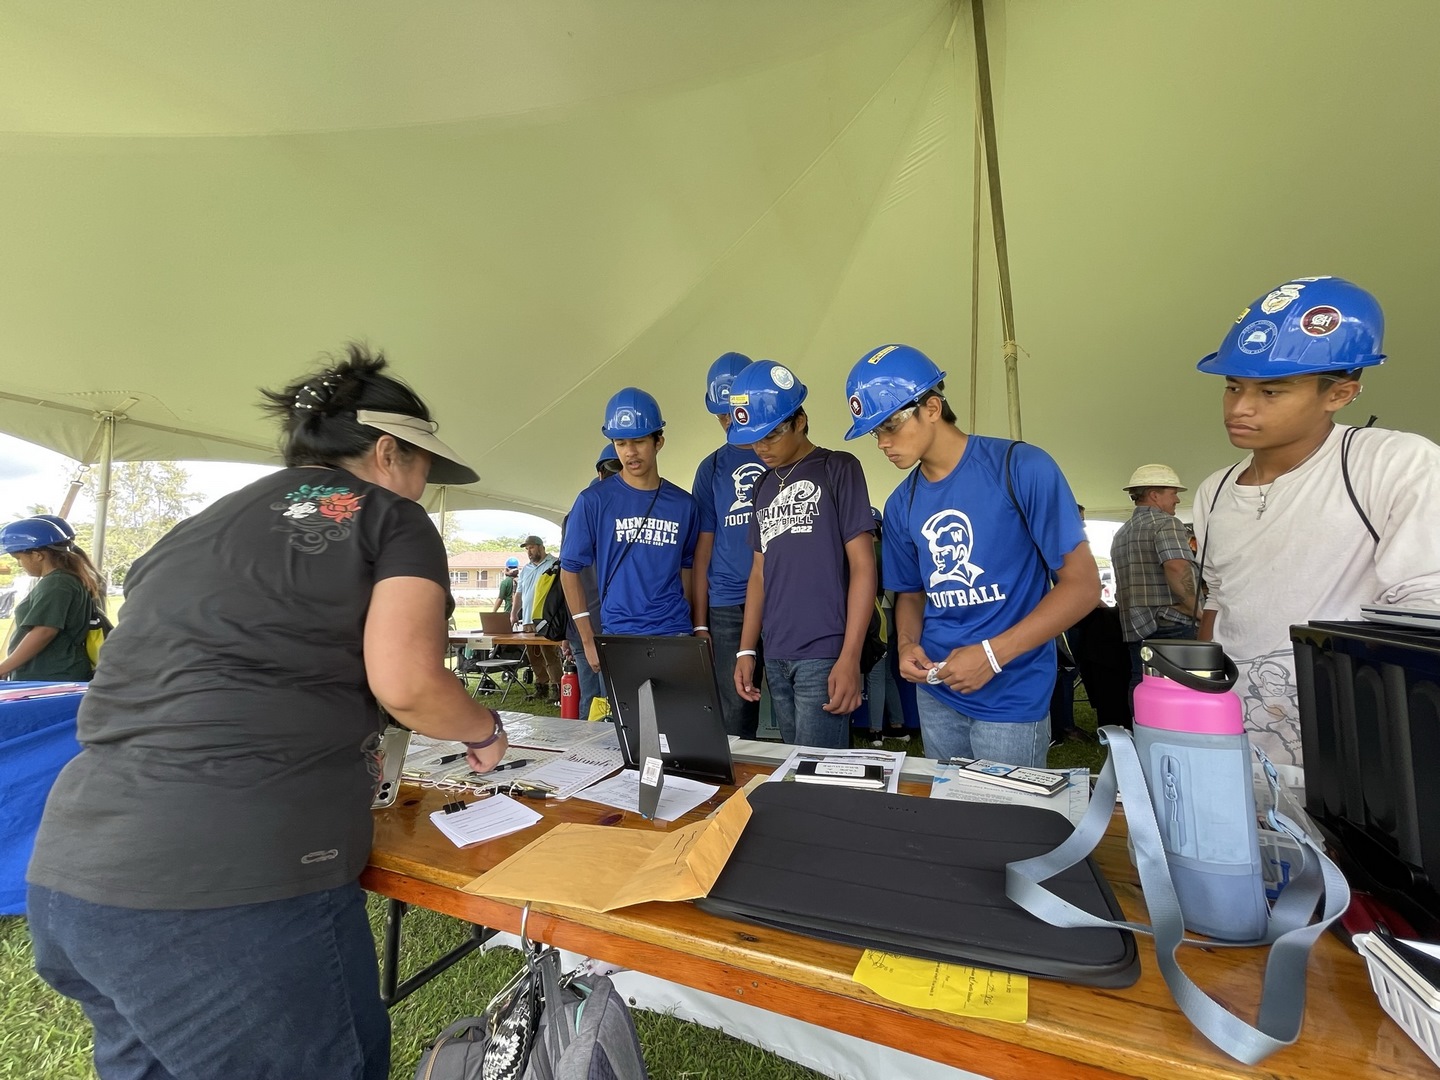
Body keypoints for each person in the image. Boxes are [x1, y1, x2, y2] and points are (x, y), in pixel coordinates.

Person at [25, 346, 508, 1080]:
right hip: (230, 890)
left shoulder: (201, 526)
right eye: (421, 467)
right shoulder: (391, 519)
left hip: (75, 875)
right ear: (385, 451)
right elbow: (409, 684)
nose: (422, 488)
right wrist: (483, 728)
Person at [1193, 276, 1440, 775]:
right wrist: (1197, 702)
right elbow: (1217, 603)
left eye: (1272, 390)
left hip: (1358, 750)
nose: (1240, 407)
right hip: (1238, 736)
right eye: (1233, 386)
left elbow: (1425, 609)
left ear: (1341, 393)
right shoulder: (1214, 490)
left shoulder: (1392, 463)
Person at [843, 344, 1098, 768]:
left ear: (931, 407)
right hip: (937, 690)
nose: (883, 443)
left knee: (1006, 823)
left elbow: (1083, 585)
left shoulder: (1021, 467)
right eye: (874, 433)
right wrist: (906, 644)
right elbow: (910, 594)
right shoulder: (900, 504)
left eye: (889, 425)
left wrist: (994, 654)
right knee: (952, 820)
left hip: (1011, 691)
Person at [727, 360, 876, 749]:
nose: (761, 447)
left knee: (819, 777)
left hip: (825, 651)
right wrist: (747, 648)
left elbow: (863, 567)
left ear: (800, 420)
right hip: (776, 653)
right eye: (753, 439)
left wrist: (850, 656)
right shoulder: (760, 484)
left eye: (772, 434)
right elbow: (758, 573)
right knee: (794, 770)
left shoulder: (837, 468)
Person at [561, 388, 701, 676]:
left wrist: (692, 625)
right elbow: (569, 570)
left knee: (679, 721)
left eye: (639, 441)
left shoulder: (684, 504)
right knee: (629, 722)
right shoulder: (593, 501)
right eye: (621, 443)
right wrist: (588, 639)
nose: (630, 452)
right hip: (619, 634)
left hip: (675, 634)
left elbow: (687, 566)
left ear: (658, 441)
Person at [690, 352, 767, 738]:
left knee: (794, 700)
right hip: (727, 605)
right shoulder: (712, 467)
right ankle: (735, 796)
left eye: (733, 412)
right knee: (734, 712)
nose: (728, 422)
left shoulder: (778, 452)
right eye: (720, 415)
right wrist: (700, 620)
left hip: (782, 598)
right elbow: (703, 548)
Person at [1111, 463, 1200, 695]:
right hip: (1171, 623)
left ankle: (1143, 730)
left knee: (1143, 684)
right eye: (1173, 493)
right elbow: (1176, 566)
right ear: (1154, 495)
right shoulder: (1166, 523)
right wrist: (1198, 611)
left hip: (1135, 625)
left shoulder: (1122, 533)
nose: (1177, 500)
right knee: (1182, 688)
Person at [560, 445, 624, 720]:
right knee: (613, 701)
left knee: (592, 699)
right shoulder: (614, 512)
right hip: (605, 624)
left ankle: (586, 759)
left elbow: (567, 577)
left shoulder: (574, 513)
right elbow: (569, 573)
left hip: (581, 623)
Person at [0, 516, 103, 682]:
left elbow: (44, 631)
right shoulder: (65, 580)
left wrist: (3, 667)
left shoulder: (57, 583)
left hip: (50, 676)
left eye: (19, 558)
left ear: (37, 555)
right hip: (52, 674)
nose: (19, 564)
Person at [515, 534, 563, 702]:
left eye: (532, 547)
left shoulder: (554, 564)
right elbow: (519, 593)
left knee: (550, 654)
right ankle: (540, 687)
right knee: (533, 655)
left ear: (541, 547)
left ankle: (557, 688)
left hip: (545, 619)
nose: (529, 551)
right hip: (528, 620)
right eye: (527, 549)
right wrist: (514, 613)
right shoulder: (525, 569)